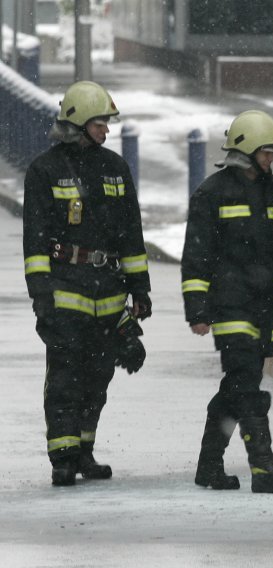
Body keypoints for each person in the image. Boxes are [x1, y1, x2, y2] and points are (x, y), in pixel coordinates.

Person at [23, 80, 152, 486]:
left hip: (109, 293)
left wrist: (141, 288)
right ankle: (62, 457)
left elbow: (132, 233)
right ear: (78, 121)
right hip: (65, 291)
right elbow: (35, 240)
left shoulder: (115, 168)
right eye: (100, 122)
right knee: (64, 377)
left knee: (98, 378)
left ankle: (84, 452)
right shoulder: (45, 170)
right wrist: (41, 293)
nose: (107, 129)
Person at [181, 110, 273, 493]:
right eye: (267, 153)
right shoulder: (212, 193)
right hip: (229, 305)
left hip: (264, 304)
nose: (272, 160)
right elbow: (196, 256)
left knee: (239, 386)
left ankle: (208, 466)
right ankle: (263, 467)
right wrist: (198, 309)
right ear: (247, 151)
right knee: (247, 387)